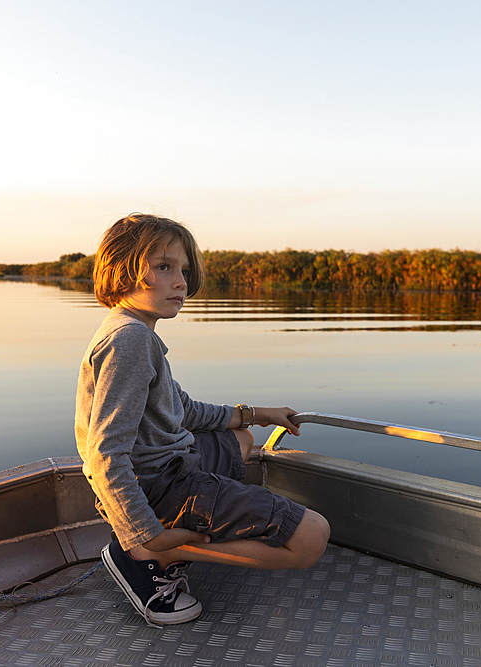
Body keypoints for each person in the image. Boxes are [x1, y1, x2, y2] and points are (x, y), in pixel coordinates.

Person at [75, 213, 331, 626]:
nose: (182, 282)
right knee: (311, 538)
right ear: (123, 272)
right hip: (160, 487)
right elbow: (105, 454)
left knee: (243, 439)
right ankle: (155, 555)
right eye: (164, 267)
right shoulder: (130, 342)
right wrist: (145, 534)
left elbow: (186, 411)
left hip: (169, 467)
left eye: (184, 270)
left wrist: (257, 413)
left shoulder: (134, 331)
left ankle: (172, 531)